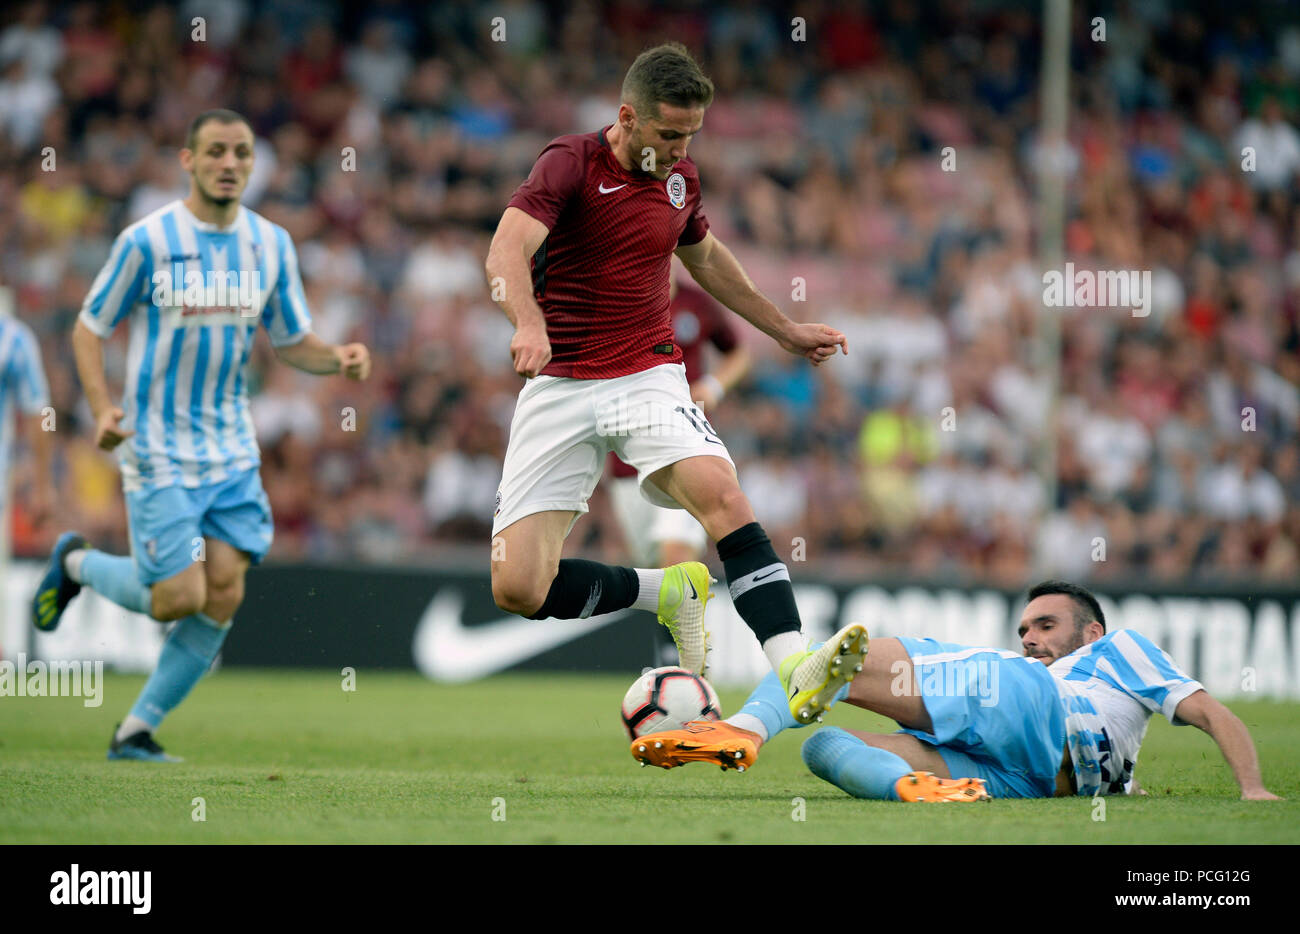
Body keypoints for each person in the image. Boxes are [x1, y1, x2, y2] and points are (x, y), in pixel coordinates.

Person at [484, 41, 863, 720]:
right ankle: (663, 591)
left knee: (721, 495)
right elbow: (507, 247)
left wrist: (782, 329)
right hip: (560, 381)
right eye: (667, 133)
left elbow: (707, 257)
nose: (679, 147)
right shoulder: (569, 161)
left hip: (647, 374)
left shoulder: (682, 176)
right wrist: (527, 321)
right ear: (626, 117)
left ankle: (794, 666)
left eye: (690, 134)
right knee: (518, 588)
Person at [30, 109, 371, 761]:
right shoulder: (148, 241)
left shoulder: (270, 243)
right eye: (215, 151)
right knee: (175, 597)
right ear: (187, 161)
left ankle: (135, 731)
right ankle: (74, 562)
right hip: (157, 446)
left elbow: (293, 342)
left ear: (252, 164)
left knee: (223, 593)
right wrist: (103, 409)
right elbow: (88, 327)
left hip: (232, 449)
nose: (228, 163)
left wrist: (340, 358)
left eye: (241, 153)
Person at [632, 580, 1282, 803]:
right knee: (824, 744)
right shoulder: (1068, 683)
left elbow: (1209, 710)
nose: (1029, 636)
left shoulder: (1119, 649)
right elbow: (1115, 747)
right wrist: (1127, 782)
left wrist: (1250, 785)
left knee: (837, 667)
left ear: (1093, 630)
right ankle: (907, 787)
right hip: (1032, 779)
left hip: (1030, 707)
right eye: (1024, 627)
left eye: (1046, 625)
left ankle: (744, 727)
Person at [606, 262, 750, 570]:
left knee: (677, 562)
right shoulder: (616, 301)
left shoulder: (696, 303)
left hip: (684, 447)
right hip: (628, 459)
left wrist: (713, 386)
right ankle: (692, 617)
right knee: (654, 574)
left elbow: (738, 352)